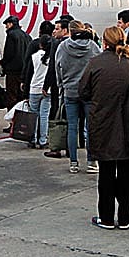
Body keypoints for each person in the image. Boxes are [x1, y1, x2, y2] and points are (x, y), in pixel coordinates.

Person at [80, 26, 129, 229]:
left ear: (104, 42)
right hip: (128, 124)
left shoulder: (95, 63)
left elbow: (83, 91)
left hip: (103, 124)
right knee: (127, 174)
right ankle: (125, 217)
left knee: (106, 174)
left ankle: (106, 217)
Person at [55, 20, 102, 173]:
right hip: (89, 92)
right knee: (90, 127)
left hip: (70, 91)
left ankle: (73, 162)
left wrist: (61, 85)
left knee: (72, 127)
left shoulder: (63, 47)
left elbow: (58, 67)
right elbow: (100, 67)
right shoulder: (93, 47)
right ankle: (91, 162)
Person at [43, 15, 73, 158]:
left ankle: (56, 146)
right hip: (74, 86)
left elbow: (53, 66)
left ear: (65, 30)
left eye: (57, 29)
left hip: (59, 85)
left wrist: (46, 84)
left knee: (57, 117)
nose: (54, 32)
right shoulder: (82, 44)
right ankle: (71, 148)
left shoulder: (58, 44)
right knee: (73, 120)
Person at [24, 34, 52, 149]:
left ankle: (33, 138)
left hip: (34, 88)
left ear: (40, 45)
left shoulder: (34, 56)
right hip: (46, 90)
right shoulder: (52, 58)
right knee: (44, 115)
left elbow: (29, 75)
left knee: (33, 115)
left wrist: (25, 91)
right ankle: (43, 140)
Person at [1, 16, 32, 108]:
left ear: (11, 24)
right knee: (21, 96)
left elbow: (9, 53)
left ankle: (12, 115)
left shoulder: (11, 35)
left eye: (7, 25)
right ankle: (20, 115)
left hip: (12, 71)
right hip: (24, 71)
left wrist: (3, 62)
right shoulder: (27, 36)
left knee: (11, 95)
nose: (6, 27)